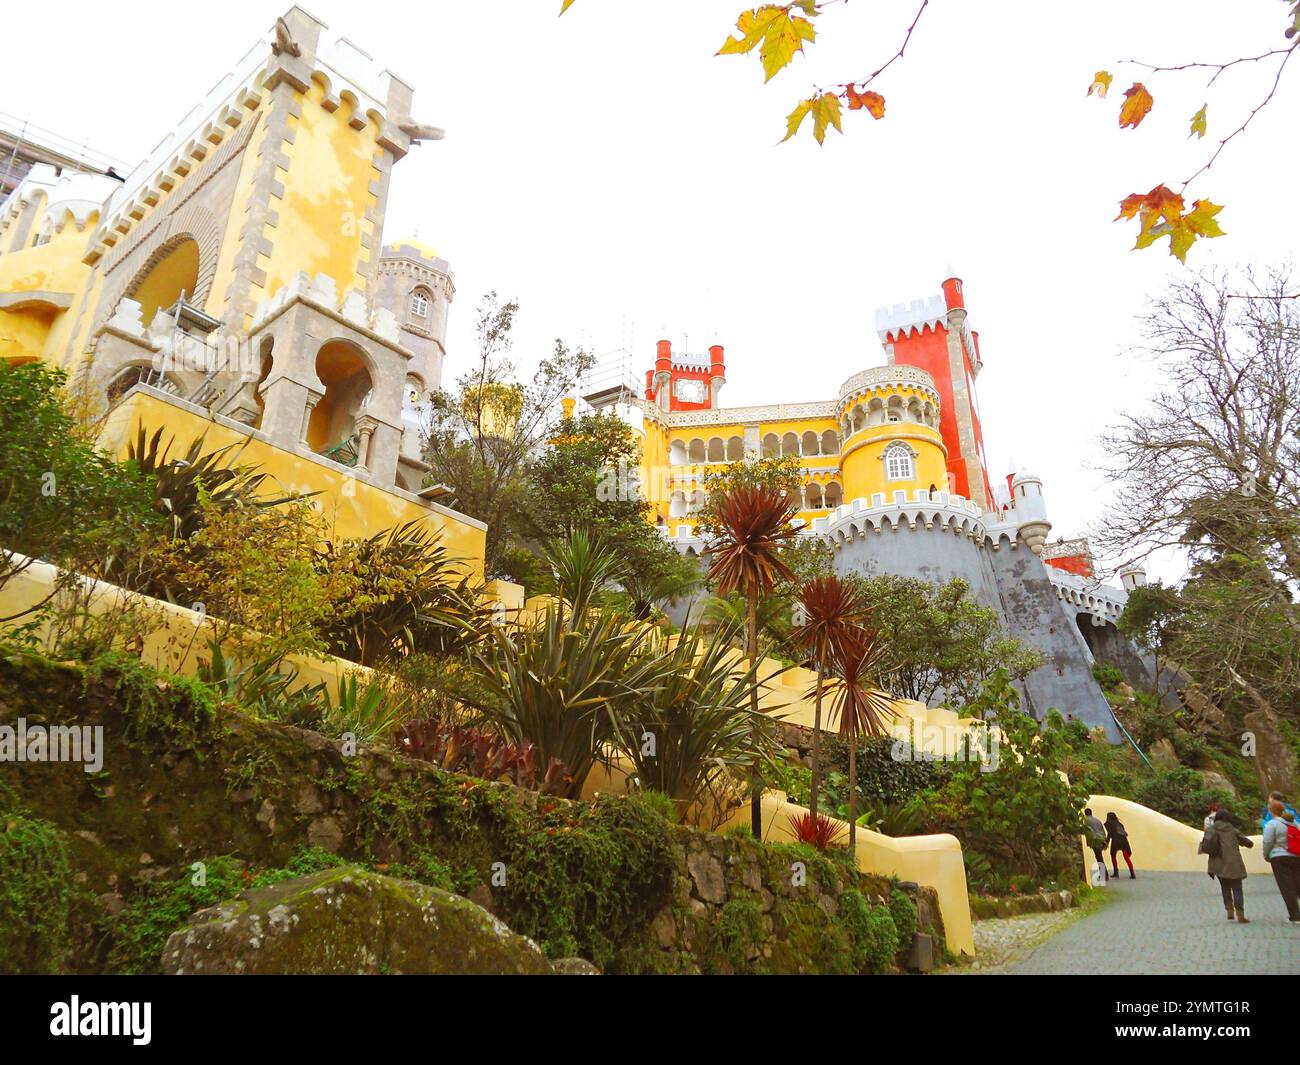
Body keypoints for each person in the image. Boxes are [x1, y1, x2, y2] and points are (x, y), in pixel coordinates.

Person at [1205, 809, 1254, 922]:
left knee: (1224, 887)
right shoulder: (1233, 830)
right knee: (1237, 888)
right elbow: (1248, 843)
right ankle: (1240, 914)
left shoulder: (1211, 829)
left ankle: (1229, 911)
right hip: (1234, 863)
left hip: (1217, 863)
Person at [1262, 793, 1300, 924]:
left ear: (1272, 811)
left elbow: (1267, 842)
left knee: (1287, 887)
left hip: (1279, 857)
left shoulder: (1272, 824)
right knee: (1298, 884)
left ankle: (1295, 916)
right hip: (1296, 856)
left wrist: (1266, 855)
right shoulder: (1294, 823)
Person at [1104, 812, 1135, 879]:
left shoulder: (1109, 823)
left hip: (1115, 840)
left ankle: (1116, 872)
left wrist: (1106, 843)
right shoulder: (1120, 824)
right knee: (1126, 857)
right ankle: (1132, 873)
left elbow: (1109, 833)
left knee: (1113, 855)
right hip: (1124, 840)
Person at [1084, 808, 1109, 881]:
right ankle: (1104, 874)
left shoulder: (1086, 820)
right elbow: (1102, 830)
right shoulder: (1097, 820)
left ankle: (1104, 875)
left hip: (1095, 840)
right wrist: (1105, 842)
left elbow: (1086, 830)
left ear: (1085, 813)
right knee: (1099, 857)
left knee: (1099, 858)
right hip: (1101, 839)